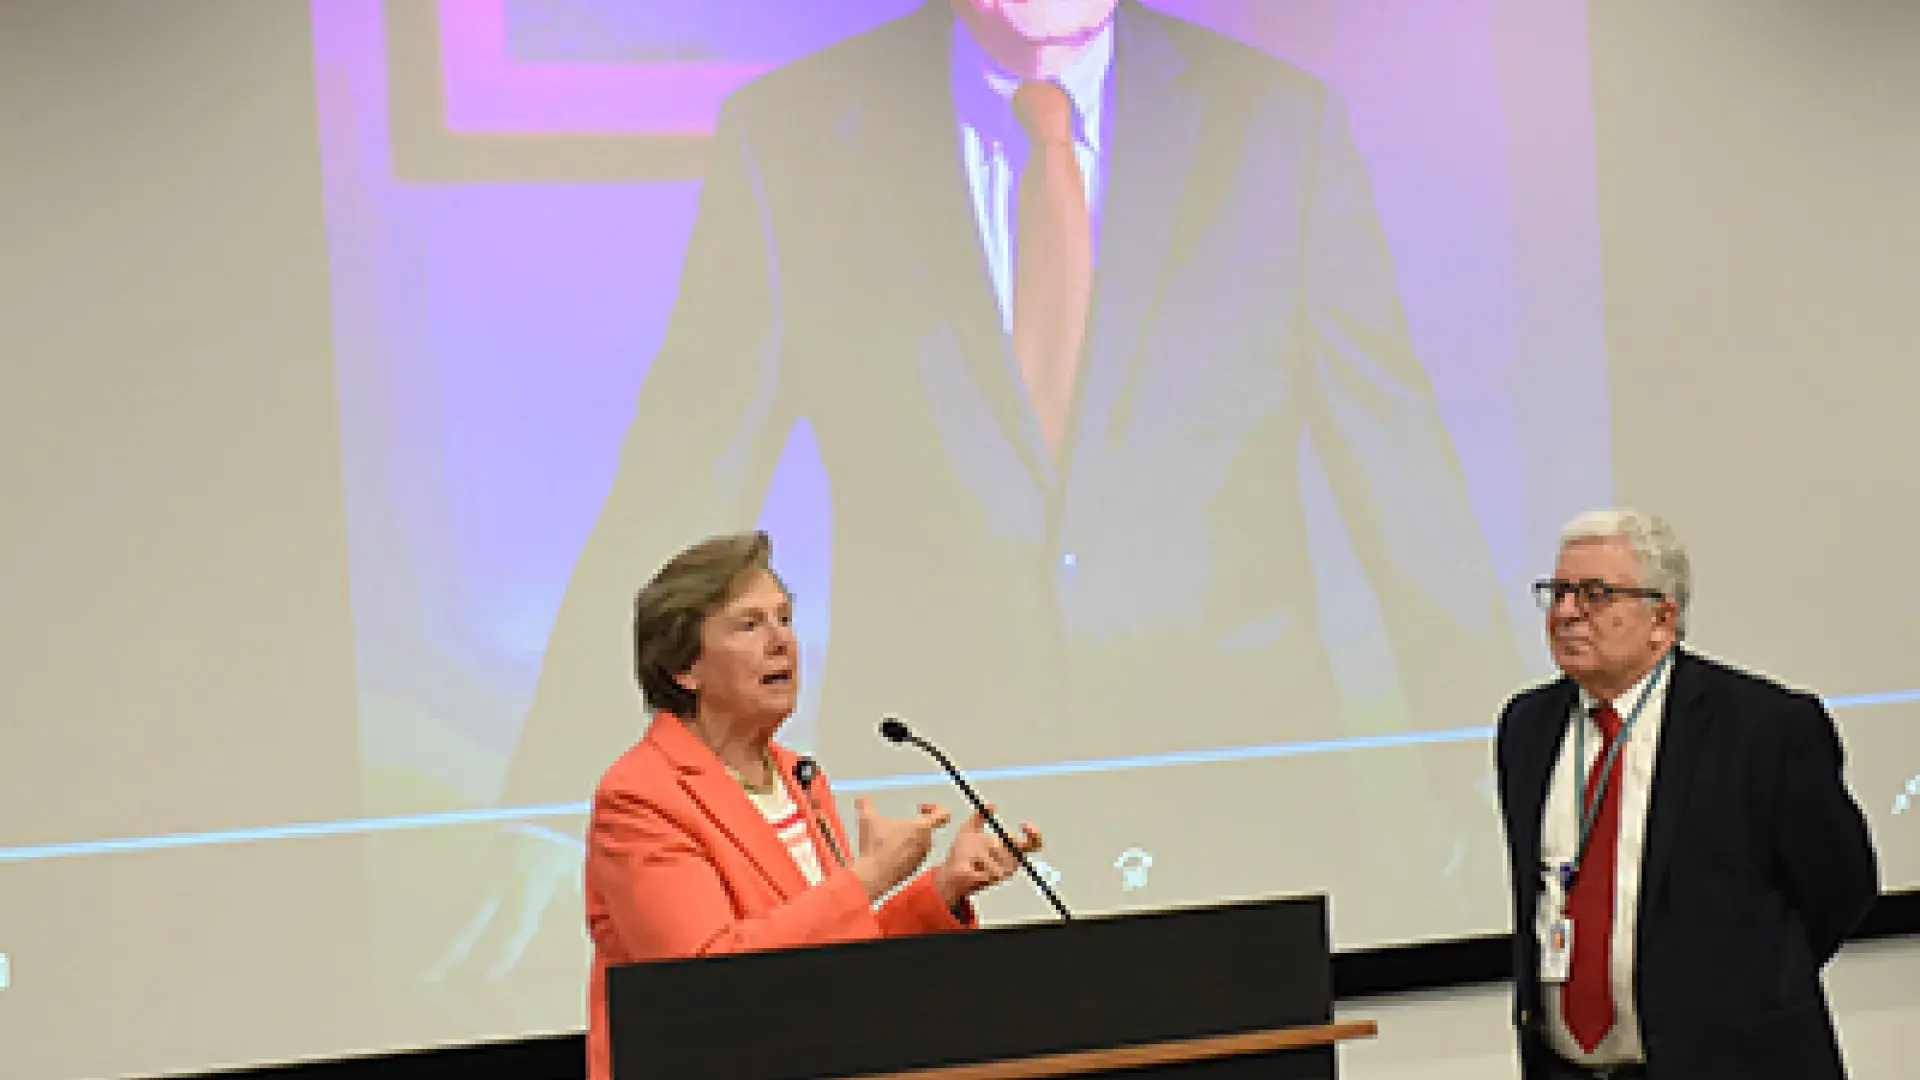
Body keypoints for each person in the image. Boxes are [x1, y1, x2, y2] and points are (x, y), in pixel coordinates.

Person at [447, 0, 1525, 977]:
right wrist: (552, 802)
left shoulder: (1276, 123)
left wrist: (1482, 768)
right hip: (937, 789)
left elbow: (1395, 459)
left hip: (1237, 783)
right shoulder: (797, 135)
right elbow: (683, 481)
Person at [583, 530, 1042, 1080]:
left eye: (784, 618)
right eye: (750, 625)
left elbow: (828, 962)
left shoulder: (800, 777)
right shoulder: (641, 795)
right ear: (685, 668)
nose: (781, 641)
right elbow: (706, 981)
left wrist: (943, 888)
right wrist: (870, 875)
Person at [1495, 509, 1878, 1080]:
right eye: (1558, 592)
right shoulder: (1528, 727)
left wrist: (1751, 989)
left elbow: (1840, 889)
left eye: (1595, 594)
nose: (1567, 613)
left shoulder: (1763, 728)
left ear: (1662, 618)